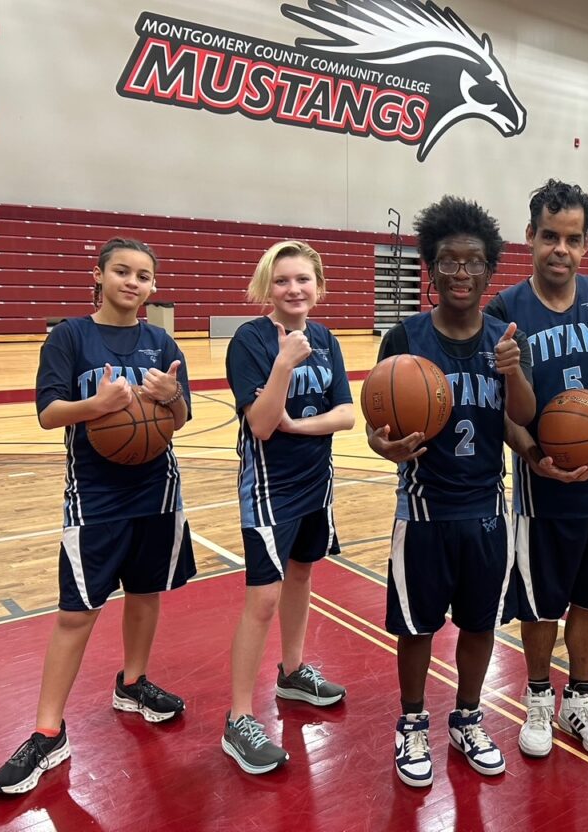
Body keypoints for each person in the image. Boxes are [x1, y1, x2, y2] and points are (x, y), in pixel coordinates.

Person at [0, 238, 196, 795]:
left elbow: (180, 418)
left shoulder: (161, 342)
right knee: (76, 613)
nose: (133, 282)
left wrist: (173, 397)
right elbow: (47, 413)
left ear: (153, 287)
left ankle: (133, 683)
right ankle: (47, 732)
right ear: (99, 275)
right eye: (122, 271)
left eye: (144, 276)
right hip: (96, 498)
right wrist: (97, 407)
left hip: (157, 493)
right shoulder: (70, 337)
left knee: (146, 594)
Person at [368, 196, 535, 788]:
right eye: (448, 261)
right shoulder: (404, 337)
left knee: (479, 624)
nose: (461, 272)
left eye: (473, 263)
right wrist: (383, 447)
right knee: (416, 627)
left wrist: (513, 370)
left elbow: (523, 417)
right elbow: (378, 426)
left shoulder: (506, 338)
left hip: (486, 509)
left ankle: (467, 718)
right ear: (431, 269)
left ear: (490, 272)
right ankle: (412, 723)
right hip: (423, 511)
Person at [485, 179, 588, 760]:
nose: (561, 248)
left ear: (587, 244)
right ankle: (537, 697)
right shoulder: (505, 311)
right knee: (540, 604)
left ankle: (580, 698)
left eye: (573, 239)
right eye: (550, 236)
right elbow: (503, 414)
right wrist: (535, 457)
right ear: (529, 236)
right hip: (542, 490)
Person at [221, 241, 355, 774]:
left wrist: (299, 426)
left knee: (302, 574)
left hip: (315, 483)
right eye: (282, 281)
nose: (293, 289)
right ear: (266, 287)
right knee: (263, 598)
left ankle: (293, 671)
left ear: (318, 286)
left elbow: (345, 414)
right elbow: (260, 423)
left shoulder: (326, 339)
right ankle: (238, 718)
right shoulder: (249, 341)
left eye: (303, 279)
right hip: (269, 489)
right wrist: (282, 363)